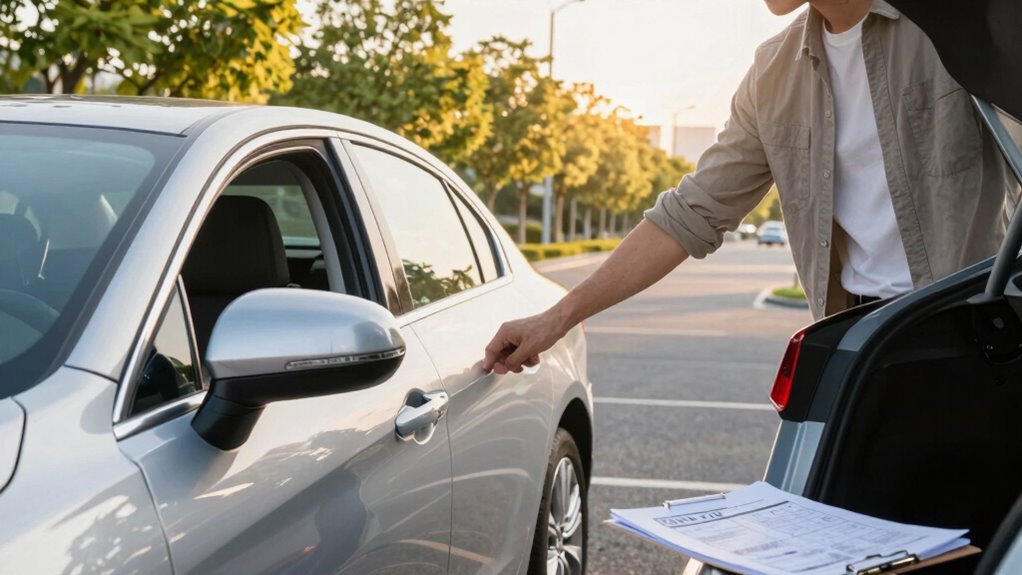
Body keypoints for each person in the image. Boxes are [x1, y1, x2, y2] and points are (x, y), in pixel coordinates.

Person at [483, 0, 1016, 375]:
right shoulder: (773, 71)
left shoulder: (956, 27)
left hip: (983, 332)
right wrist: (556, 318)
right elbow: (689, 212)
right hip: (861, 339)